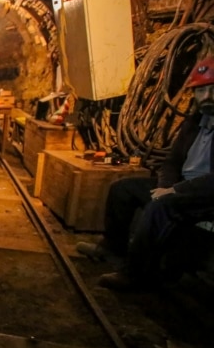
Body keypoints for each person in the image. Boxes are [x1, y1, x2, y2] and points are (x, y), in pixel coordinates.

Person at [77, 57, 214, 290]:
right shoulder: (195, 122)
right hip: (181, 186)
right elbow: (171, 162)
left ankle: (135, 273)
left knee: (161, 206)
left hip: (204, 194)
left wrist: (173, 191)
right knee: (123, 189)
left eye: (212, 89)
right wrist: (166, 185)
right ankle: (112, 247)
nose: (206, 97)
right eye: (200, 90)